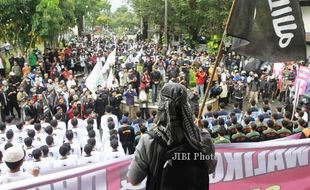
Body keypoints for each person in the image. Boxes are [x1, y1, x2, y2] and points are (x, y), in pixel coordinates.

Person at [127, 83, 216, 190]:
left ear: (161, 106)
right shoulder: (203, 137)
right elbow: (210, 168)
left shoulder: (149, 140)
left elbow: (134, 179)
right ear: (186, 105)